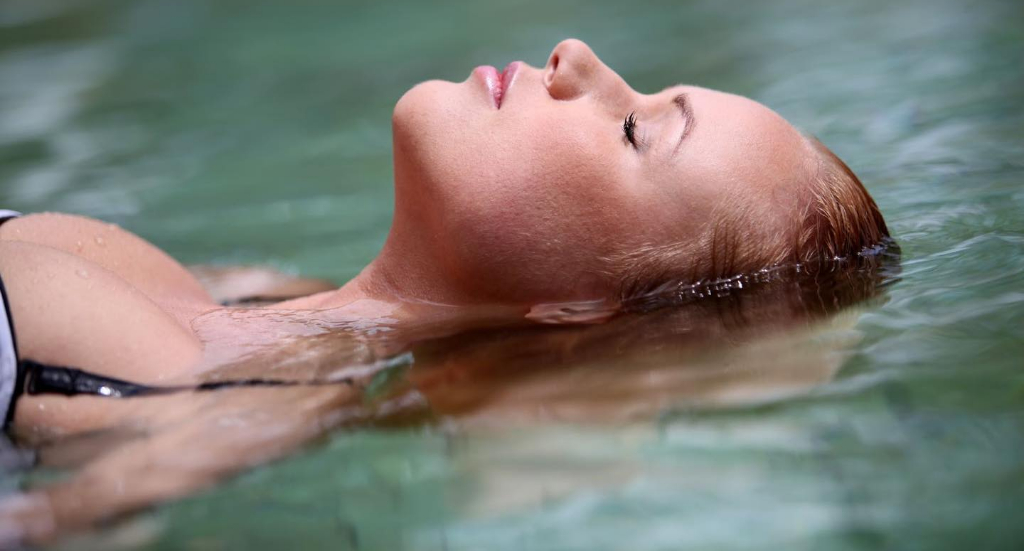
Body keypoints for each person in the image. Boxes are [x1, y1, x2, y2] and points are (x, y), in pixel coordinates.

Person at [0, 38, 895, 543]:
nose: (576, 57)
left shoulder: (221, 415)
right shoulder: (240, 300)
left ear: (580, 306)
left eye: (632, 130)